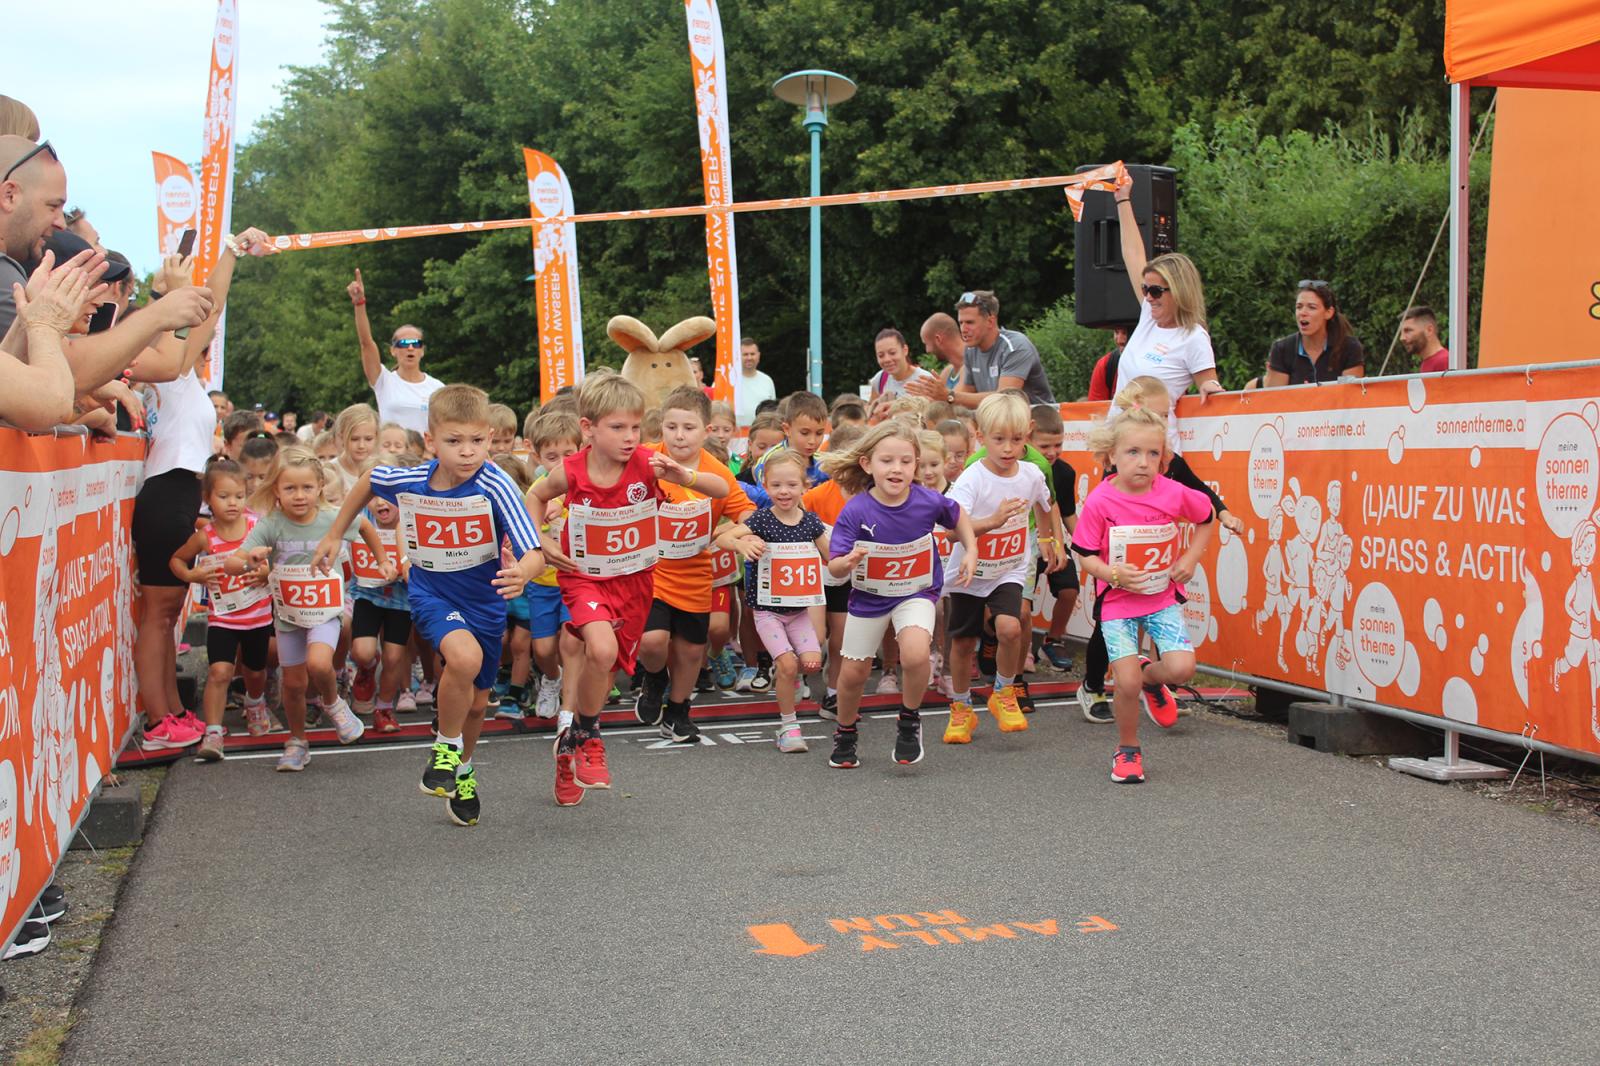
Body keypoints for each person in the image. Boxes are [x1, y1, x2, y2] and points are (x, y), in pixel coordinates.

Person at [317, 385, 544, 823]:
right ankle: (443, 747)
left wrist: (525, 572)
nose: (467, 452)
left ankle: (462, 768)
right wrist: (335, 533)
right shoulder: (412, 477)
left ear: (490, 436)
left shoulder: (495, 483)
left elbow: (532, 547)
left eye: (477, 441)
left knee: (478, 703)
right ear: (431, 440)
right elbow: (369, 480)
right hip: (431, 594)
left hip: (485, 602)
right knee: (463, 656)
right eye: (454, 442)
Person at [527, 372, 723, 807]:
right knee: (598, 650)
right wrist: (541, 540)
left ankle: (572, 745)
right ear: (588, 428)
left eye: (636, 427)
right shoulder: (572, 470)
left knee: (611, 662)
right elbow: (534, 496)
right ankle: (591, 737)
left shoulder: (649, 463)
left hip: (635, 582)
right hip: (584, 577)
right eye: (618, 428)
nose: (631, 437)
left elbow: (721, 488)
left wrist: (682, 475)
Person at [1070, 390, 1216, 784]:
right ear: (1111, 456)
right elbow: (1084, 555)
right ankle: (1128, 749)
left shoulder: (1172, 492)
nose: (1144, 463)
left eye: (1153, 454)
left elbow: (1207, 515)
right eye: (1133, 452)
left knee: (1183, 669)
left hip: (1160, 597)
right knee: (1126, 681)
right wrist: (1112, 574)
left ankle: (1154, 677)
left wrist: (1189, 559)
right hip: (1118, 601)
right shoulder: (1101, 501)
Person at [821, 423, 977, 769]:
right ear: (867, 464)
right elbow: (833, 568)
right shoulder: (856, 511)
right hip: (869, 598)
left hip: (917, 593)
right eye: (887, 461)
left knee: (916, 652)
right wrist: (845, 563)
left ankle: (908, 719)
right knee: (854, 674)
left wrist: (971, 549)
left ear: (916, 466)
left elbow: (958, 515)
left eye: (906, 462)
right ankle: (846, 732)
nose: (897, 469)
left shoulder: (926, 500)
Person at [228, 446, 387, 768]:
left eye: (307, 488)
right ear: (276, 490)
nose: (299, 496)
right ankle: (297, 740)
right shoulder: (270, 524)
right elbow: (233, 563)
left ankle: (334, 703)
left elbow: (366, 528)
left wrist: (382, 560)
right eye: (290, 488)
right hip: (288, 615)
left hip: (326, 611)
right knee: (294, 683)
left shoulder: (331, 518)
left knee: (318, 664)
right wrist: (250, 560)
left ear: (319, 487)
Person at [941, 394, 1065, 744]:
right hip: (970, 571)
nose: (1008, 448)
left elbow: (1045, 503)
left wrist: (1047, 540)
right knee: (964, 643)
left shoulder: (1031, 473)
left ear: (1027, 434)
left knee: (1011, 628)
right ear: (980, 436)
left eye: (1017, 439)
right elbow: (950, 531)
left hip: (1008, 568)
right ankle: (962, 708)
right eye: (999, 440)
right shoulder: (971, 479)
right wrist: (992, 521)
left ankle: (1003, 692)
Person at [634, 386, 754, 743]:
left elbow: (745, 510)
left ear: (706, 431)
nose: (679, 435)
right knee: (653, 641)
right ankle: (653, 679)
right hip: (651, 571)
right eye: (671, 427)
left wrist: (735, 533)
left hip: (695, 573)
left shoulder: (717, 472)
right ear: (661, 428)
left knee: (689, 650)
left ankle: (678, 711)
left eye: (688, 427)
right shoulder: (644, 459)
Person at [715, 449, 829, 753]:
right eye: (776, 485)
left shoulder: (811, 523)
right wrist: (740, 543)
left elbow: (833, 558)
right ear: (765, 486)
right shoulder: (762, 520)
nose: (784, 491)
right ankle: (788, 726)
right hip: (767, 611)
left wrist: (854, 559)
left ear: (805, 486)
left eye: (791, 485)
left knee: (811, 663)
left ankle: (786, 677)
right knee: (789, 663)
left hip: (800, 611)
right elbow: (722, 539)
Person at [168, 460, 275, 758]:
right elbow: (177, 560)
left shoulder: (258, 527)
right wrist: (193, 575)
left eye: (239, 496)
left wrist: (267, 573)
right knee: (219, 671)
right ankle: (212, 733)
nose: (233, 503)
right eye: (224, 496)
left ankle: (255, 703)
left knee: (255, 673)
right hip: (223, 618)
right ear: (207, 499)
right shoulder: (206, 536)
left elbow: (280, 560)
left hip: (257, 616)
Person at [1110, 168, 1222, 450]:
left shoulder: (1193, 337)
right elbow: (1133, 254)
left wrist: (1210, 387)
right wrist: (1123, 199)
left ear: (1179, 291)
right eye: (1146, 289)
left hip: (1154, 450)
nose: (1148, 297)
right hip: (1118, 442)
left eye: (1157, 291)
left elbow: (1210, 385)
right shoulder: (1148, 317)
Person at [347, 456, 415, 734]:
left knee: (394, 658)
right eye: (374, 495)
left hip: (400, 599)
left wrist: (407, 569)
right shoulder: (360, 521)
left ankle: (384, 708)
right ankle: (365, 670)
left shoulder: (412, 522)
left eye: (389, 495)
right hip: (368, 595)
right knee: (363, 652)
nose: (380, 502)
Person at [907, 291, 1055, 409]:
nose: (964, 329)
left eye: (970, 322)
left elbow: (1004, 399)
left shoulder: (1015, 346)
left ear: (990, 321)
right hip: (1003, 429)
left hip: (1041, 428)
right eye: (961, 323)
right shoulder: (971, 351)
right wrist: (929, 399)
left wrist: (948, 396)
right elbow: (962, 396)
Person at [347, 267, 444, 433]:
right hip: (391, 455)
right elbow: (366, 343)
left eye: (416, 343)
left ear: (422, 351)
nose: (410, 348)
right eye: (404, 344)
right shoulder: (384, 381)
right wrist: (359, 303)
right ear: (393, 350)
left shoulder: (438, 388)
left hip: (426, 457)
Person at [1029, 404, 1081, 671]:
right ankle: (1020, 647)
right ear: (1028, 439)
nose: (1052, 452)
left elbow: (1067, 514)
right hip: (1025, 543)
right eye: (1045, 446)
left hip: (1054, 540)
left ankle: (1053, 640)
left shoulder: (1065, 472)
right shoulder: (1019, 468)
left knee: (1070, 589)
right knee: (1021, 602)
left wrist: (1089, 544)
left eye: (1058, 445)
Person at [1265, 280, 1364, 386]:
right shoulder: (1282, 349)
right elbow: (1276, 398)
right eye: (1299, 307)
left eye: (1311, 307)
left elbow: (1350, 396)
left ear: (1328, 313)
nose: (1302, 313)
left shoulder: (1349, 348)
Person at [867, 328, 936, 411]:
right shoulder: (880, 379)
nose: (887, 359)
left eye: (892, 353)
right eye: (881, 355)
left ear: (905, 350)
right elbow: (871, 412)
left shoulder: (924, 379)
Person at [919, 313, 965, 394]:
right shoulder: (947, 372)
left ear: (938, 339)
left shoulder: (975, 364)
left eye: (926, 344)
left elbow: (954, 400)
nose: (927, 350)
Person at [735, 336, 777, 427]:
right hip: (733, 437)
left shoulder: (767, 381)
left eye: (752, 354)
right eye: (745, 354)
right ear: (737, 356)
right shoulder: (727, 380)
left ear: (758, 356)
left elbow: (773, 412)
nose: (749, 358)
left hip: (761, 434)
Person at [1086, 326, 1131, 402]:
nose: (1119, 340)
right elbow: (1095, 408)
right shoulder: (1105, 365)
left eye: (1125, 333)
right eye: (1116, 332)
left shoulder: (1155, 364)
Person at [1401, 306, 1450, 373]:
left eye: (1408, 330)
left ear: (1429, 330)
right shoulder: (1427, 363)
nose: (1402, 338)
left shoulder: (1444, 361)